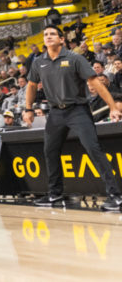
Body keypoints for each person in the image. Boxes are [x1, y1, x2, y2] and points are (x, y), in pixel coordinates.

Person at [26, 25, 122, 210]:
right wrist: (28, 108)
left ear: (62, 39)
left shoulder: (74, 58)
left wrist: (112, 107)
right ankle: (54, 194)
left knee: (93, 149)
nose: (48, 36)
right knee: (50, 151)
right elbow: (31, 85)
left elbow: (95, 82)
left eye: (52, 34)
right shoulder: (38, 62)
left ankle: (115, 196)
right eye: (45, 34)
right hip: (55, 113)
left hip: (77, 110)